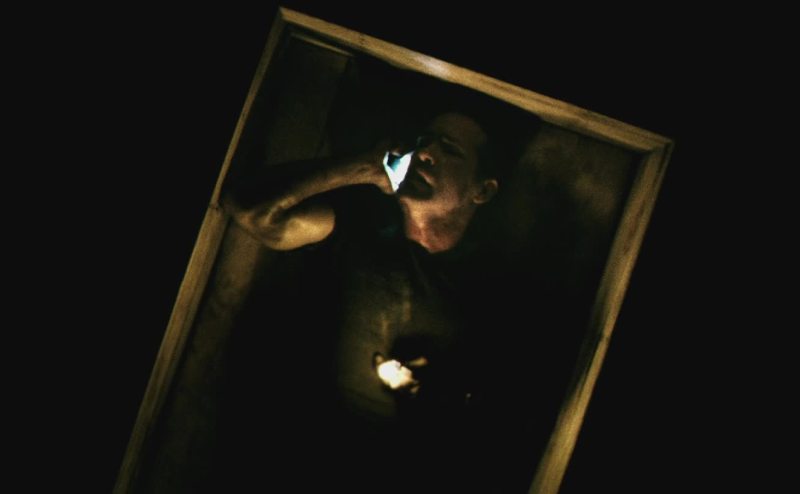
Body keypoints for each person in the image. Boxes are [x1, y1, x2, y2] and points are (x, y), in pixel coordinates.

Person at [221, 102, 551, 493]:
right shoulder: (358, 229)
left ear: (482, 190)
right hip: (302, 461)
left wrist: (436, 390)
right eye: (424, 140)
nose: (425, 152)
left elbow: (505, 422)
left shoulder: (491, 291)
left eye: (449, 149)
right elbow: (249, 208)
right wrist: (362, 168)